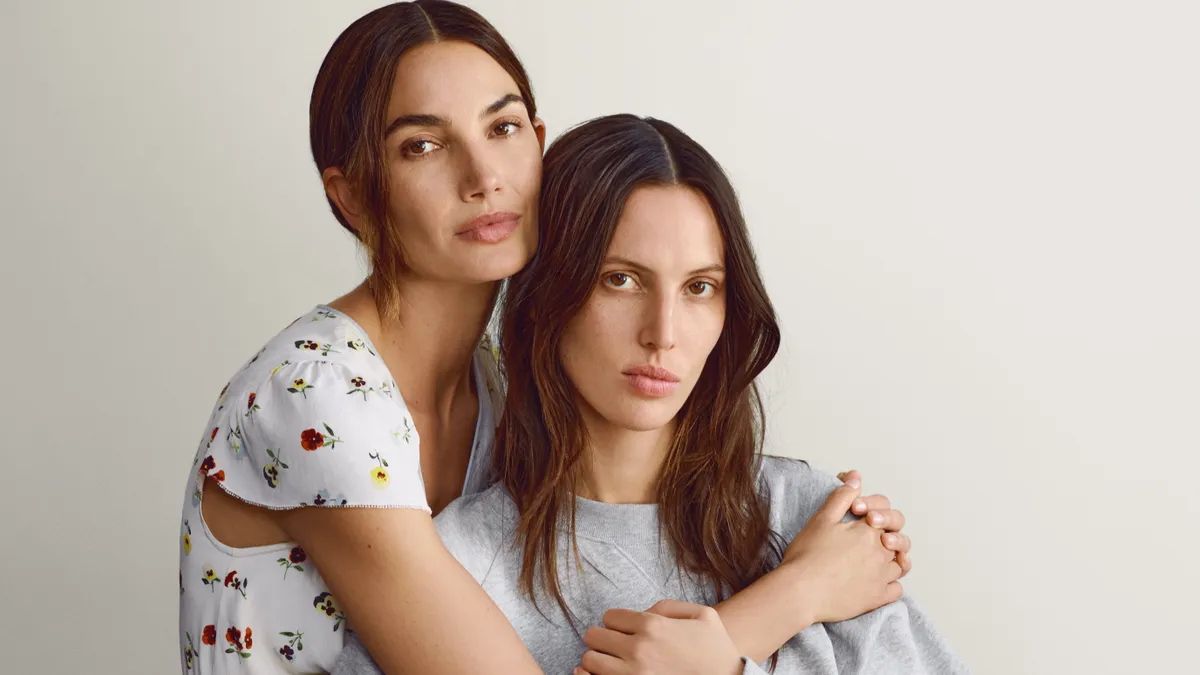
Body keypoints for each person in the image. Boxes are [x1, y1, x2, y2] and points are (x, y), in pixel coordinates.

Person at [178, 3, 911, 673]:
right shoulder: (315, 398)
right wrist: (797, 591)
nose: (483, 176)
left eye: (500, 130)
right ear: (352, 194)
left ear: (537, 141)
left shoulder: (495, 381)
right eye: (423, 146)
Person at [331, 115, 965, 675]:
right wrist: (780, 607)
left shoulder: (816, 525)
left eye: (698, 288)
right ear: (552, 292)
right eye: (622, 279)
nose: (662, 334)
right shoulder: (455, 566)